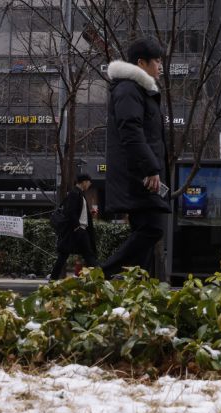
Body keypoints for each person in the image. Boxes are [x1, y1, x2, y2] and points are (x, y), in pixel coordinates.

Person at [102, 37, 172, 278]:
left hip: (141, 175)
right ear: (141, 63)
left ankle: (137, 286)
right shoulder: (128, 90)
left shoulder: (139, 91)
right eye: (156, 60)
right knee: (151, 229)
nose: (160, 66)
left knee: (147, 229)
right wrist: (151, 169)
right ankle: (102, 274)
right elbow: (131, 133)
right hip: (137, 178)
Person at [49, 173, 98, 280]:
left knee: (85, 255)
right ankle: (100, 279)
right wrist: (77, 227)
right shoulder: (75, 193)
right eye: (89, 182)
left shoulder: (79, 193)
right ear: (84, 182)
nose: (89, 185)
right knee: (87, 255)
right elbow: (70, 212)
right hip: (77, 230)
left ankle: (53, 279)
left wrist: (89, 213)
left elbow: (76, 211)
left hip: (79, 230)